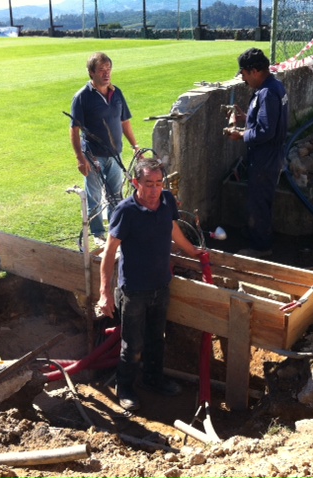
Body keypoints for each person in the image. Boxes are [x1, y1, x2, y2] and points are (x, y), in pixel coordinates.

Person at [98, 158, 202, 412]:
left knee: (157, 338)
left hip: (161, 285)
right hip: (134, 289)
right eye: (148, 184)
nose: (154, 190)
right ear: (136, 183)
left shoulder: (166, 201)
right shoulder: (126, 211)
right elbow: (109, 253)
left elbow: (172, 228)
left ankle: (153, 380)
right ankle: (125, 387)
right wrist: (104, 294)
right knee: (133, 344)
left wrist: (192, 252)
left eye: (158, 183)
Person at [70, 52, 140, 246]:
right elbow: (74, 130)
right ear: (91, 73)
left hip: (115, 154)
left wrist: (135, 146)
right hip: (93, 156)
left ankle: (115, 230)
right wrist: (80, 158)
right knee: (93, 195)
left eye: (108, 69)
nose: (106, 73)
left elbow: (125, 122)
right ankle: (98, 234)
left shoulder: (116, 93)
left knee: (116, 193)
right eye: (101, 70)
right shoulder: (82, 97)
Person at [225, 48, 289, 257]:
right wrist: (246, 117)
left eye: (243, 74)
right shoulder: (274, 86)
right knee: (261, 199)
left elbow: (266, 131)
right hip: (271, 155)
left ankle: (261, 247)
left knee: (259, 201)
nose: (243, 79)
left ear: (253, 71)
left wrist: (240, 134)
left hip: (265, 157)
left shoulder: (268, 92)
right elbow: (268, 120)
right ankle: (256, 232)